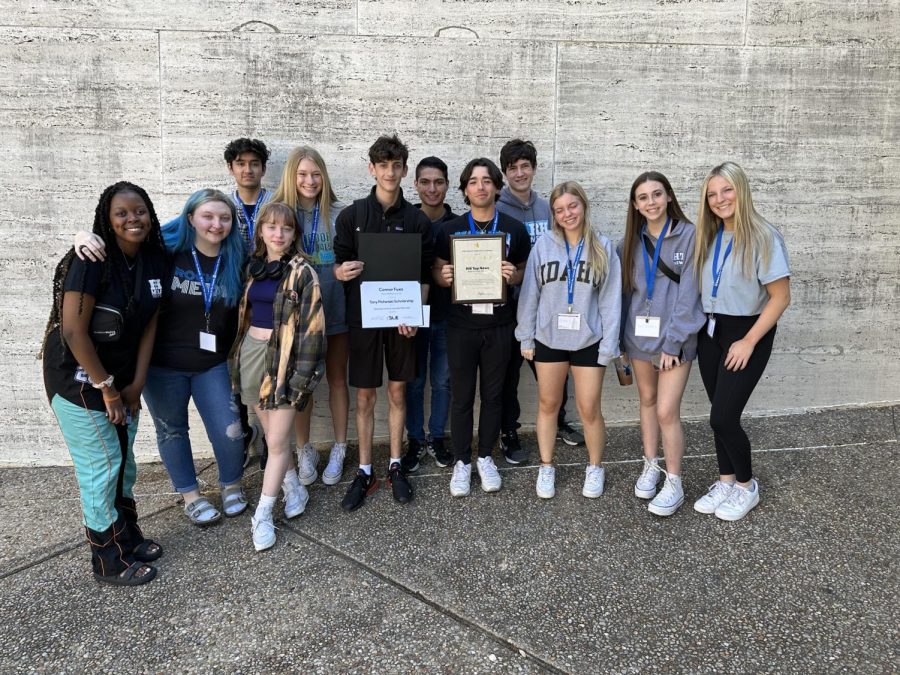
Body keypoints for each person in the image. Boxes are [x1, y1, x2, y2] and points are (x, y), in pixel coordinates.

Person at [41, 182, 167, 585]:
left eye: (140, 210)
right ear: (107, 221)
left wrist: (136, 383)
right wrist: (108, 388)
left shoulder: (153, 257)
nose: (133, 219)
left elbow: (149, 324)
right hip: (78, 379)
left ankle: (126, 536)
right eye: (122, 213)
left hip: (123, 378)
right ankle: (107, 560)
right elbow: (76, 332)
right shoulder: (90, 259)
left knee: (124, 462)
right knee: (103, 465)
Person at [333, 134, 433, 511]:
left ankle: (394, 465)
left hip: (401, 323)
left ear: (404, 170)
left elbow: (424, 277)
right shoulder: (352, 216)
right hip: (363, 321)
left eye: (397, 165)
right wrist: (342, 271)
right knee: (364, 395)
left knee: (396, 393)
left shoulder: (416, 220)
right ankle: (364, 470)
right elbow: (338, 265)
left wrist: (414, 315)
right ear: (372, 168)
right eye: (383, 165)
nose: (390, 172)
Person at [140, 189, 248, 526]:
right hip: (162, 366)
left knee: (229, 432)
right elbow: (118, 243)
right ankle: (191, 495)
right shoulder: (166, 253)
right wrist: (85, 237)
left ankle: (231, 485)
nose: (216, 224)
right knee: (172, 430)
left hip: (210, 364)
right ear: (191, 218)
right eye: (208, 216)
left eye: (224, 218)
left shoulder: (235, 260)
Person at [692, 162, 791, 521]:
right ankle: (726, 481)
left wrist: (748, 341)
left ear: (742, 190)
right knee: (718, 411)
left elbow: (780, 297)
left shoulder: (764, 235)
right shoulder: (710, 234)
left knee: (723, 417)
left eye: (727, 190)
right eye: (713, 193)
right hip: (711, 333)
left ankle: (747, 486)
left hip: (747, 333)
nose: (720, 199)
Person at [229, 202, 326, 551]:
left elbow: (314, 333)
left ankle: (264, 514)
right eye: (271, 226)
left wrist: (301, 380)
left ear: (294, 234)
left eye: (285, 228)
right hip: (251, 357)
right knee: (271, 434)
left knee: (276, 442)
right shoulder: (253, 269)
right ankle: (294, 487)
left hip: (284, 361)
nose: (278, 233)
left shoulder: (303, 273)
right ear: (260, 231)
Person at [516, 181, 620, 499]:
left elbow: (611, 301)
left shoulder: (603, 246)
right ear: (554, 214)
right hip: (549, 337)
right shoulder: (543, 246)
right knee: (549, 404)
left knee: (589, 408)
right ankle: (547, 466)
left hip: (589, 339)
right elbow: (530, 295)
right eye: (559, 210)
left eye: (572, 206)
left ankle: (594, 467)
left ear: (584, 206)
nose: (567, 214)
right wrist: (526, 336)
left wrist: (608, 347)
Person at [433, 158, 531, 497]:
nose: (480, 187)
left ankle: (486, 456)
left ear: (497, 187)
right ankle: (462, 461)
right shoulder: (449, 229)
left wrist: (513, 275)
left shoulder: (515, 229)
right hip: (461, 326)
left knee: (493, 396)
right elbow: (437, 270)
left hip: (501, 324)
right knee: (461, 397)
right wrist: (442, 277)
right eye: (473, 182)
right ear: (464, 190)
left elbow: (523, 271)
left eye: (487, 180)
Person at [619, 172, 705, 516]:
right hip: (639, 337)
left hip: (675, 341)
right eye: (643, 197)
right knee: (648, 400)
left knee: (667, 410)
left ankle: (674, 481)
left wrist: (673, 343)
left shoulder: (689, 236)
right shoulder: (630, 241)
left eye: (657, 194)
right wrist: (622, 341)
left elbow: (690, 296)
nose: (650, 202)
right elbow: (627, 294)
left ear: (669, 196)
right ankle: (650, 464)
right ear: (635, 205)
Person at [496, 139, 583, 465]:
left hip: (549, 309)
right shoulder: (496, 209)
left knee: (557, 373)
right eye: (513, 168)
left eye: (525, 166)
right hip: (509, 309)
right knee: (507, 376)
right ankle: (509, 433)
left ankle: (559, 421)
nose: (520, 173)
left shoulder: (550, 209)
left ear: (533, 168)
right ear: (505, 173)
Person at [271, 146, 349, 486]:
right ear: (292, 175)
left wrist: (347, 269)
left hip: (336, 309)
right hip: (299, 318)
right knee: (301, 386)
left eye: (316, 174)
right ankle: (304, 449)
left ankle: (341, 447)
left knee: (337, 380)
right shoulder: (280, 215)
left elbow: (355, 258)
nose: (310, 180)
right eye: (302, 174)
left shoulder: (340, 213)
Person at [401, 156, 457, 472]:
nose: (432, 188)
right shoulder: (406, 222)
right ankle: (415, 440)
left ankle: (436, 437)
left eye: (438, 182)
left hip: (449, 316)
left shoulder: (460, 225)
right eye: (425, 182)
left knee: (443, 381)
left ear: (447, 185)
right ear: (416, 185)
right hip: (411, 316)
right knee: (414, 382)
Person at [225, 137, 273, 250]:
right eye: (241, 164)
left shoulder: (277, 202)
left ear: (263, 169)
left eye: (254, 164)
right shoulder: (223, 205)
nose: (248, 170)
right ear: (230, 168)